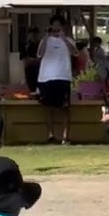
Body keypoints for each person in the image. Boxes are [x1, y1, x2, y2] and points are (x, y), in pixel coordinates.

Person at [36, 15, 76, 145]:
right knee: (48, 107)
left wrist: (64, 39)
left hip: (63, 76)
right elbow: (40, 54)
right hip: (46, 77)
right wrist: (47, 36)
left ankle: (66, 136)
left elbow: (75, 53)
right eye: (54, 25)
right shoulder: (45, 40)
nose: (56, 28)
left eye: (59, 25)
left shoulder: (69, 40)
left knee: (64, 108)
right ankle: (50, 135)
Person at [19, 26, 41, 94]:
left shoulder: (41, 44)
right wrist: (36, 61)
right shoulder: (25, 45)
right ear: (29, 34)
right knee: (32, 90)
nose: (33, 35)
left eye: (35, 33)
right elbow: (25, 61)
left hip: (40, 71)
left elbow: (43, 60)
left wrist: (32, 60)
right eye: (31, 33)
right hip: (30, 72)